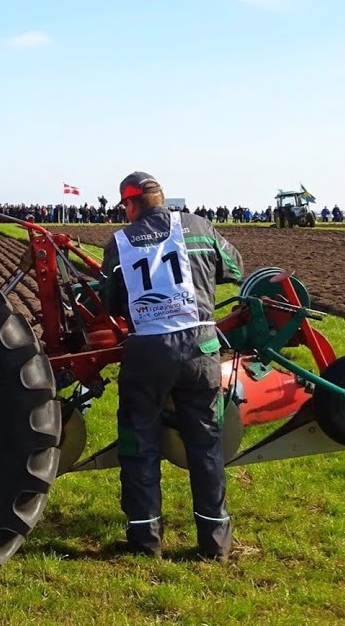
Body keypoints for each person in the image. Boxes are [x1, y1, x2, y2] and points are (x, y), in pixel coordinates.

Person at [101, 172, 244, 561]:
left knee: (139, 444)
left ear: (131, 204)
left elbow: (111, 303)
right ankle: (214, 543)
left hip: (147, 352)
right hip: (201, 348)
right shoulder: (199, 226)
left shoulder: (119, 242)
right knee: (206, 445)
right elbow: (235, 268)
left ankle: (146, 542)